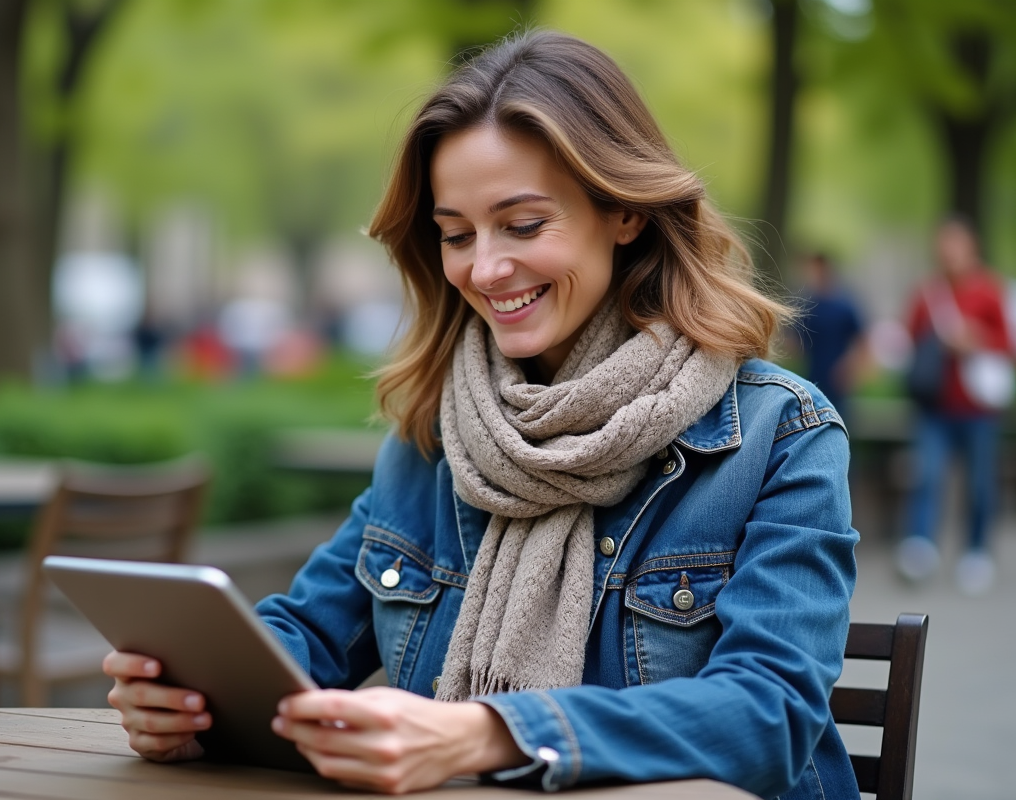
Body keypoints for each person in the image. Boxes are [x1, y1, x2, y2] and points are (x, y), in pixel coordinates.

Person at [104, 31, 858, 799]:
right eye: (457, 234)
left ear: (623, 213)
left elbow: (771, 713)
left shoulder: (778, 435)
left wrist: (492, 733)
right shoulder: (436, 436)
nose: (486, 268)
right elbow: (308, 635)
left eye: (524, 225)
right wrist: (188, 701)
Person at [896, 216, 1011, 595]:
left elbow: (1008, 346)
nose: (949, 253)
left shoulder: (992, 290)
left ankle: (975, 552)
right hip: (935, 406)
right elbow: (908, 341)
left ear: (972, 247)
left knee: (980, 484)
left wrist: (975, 340)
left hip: (979, 409)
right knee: (927, 476)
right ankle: (920, 548)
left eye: (955, 245)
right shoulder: (926, 293)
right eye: (943, 245)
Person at [792, 251, 866, 420]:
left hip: (837, 380)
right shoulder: (806, 305)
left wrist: (850, 368)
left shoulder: (843, 305)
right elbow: (795, 343)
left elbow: (861, 342)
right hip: (811, 376)